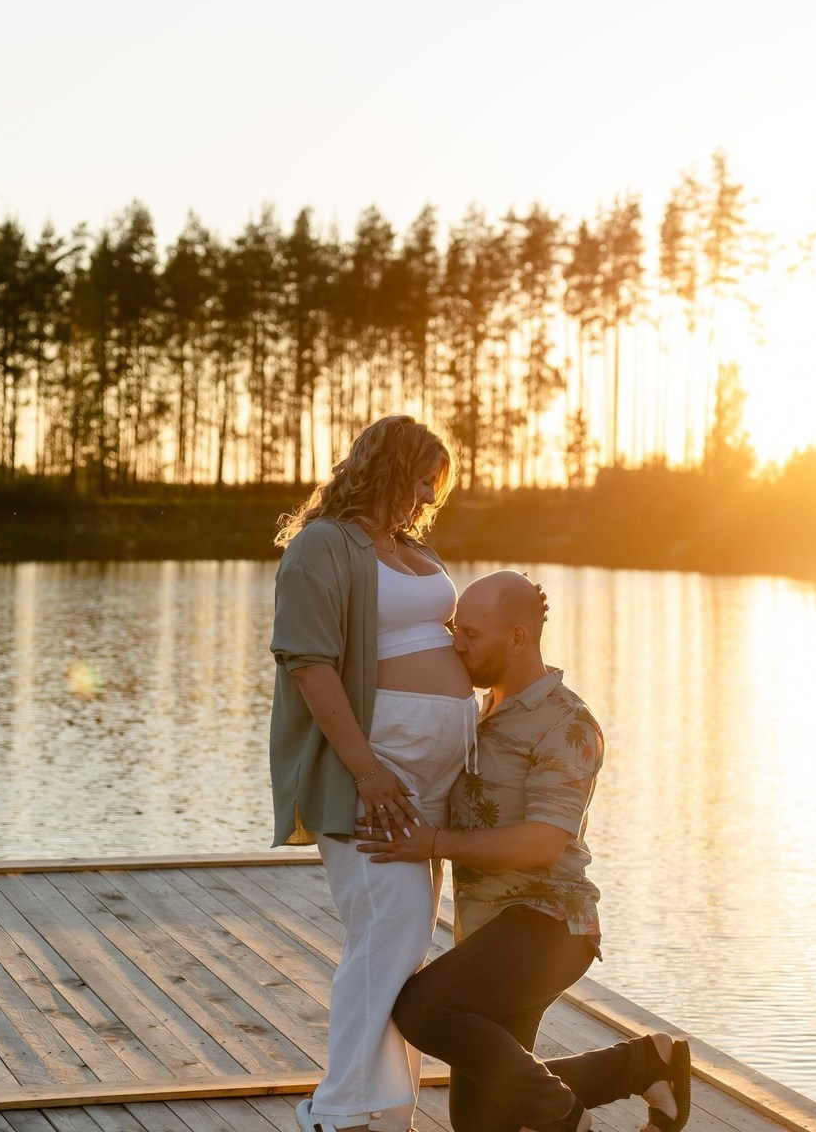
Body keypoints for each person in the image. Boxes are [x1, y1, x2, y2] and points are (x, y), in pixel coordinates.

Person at [357, 570, 691, 1132]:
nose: (455, 643)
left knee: (421, 1008)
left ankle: (564, 1117)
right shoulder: (472, 712)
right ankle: (643, 1063)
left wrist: (434, 843)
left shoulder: (568, 723)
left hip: (550, 924)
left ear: (517, 638)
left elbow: (542, 844)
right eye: (452, 629)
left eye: (470, 633)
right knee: (481, 1123)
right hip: (491, 930)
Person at [270, 415, 480, 1132]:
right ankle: (334, 1109)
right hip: (374, 778)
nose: (429, 495)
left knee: (402, 937)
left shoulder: (409, 550)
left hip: (430, 784)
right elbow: (309, 664)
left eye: (436, 483)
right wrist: (368, 772)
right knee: (390, 928)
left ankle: (387, 1111)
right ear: (385, 467)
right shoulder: (323, 547)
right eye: (421, 478)